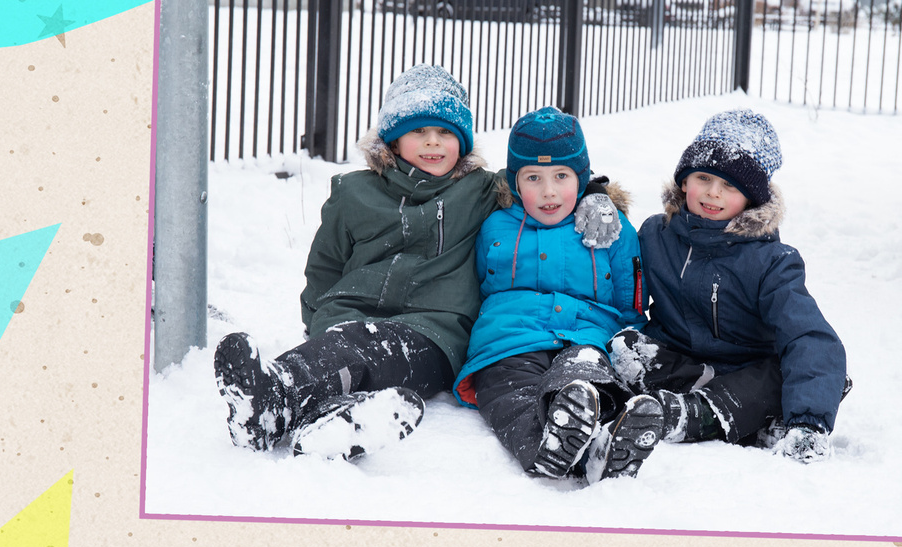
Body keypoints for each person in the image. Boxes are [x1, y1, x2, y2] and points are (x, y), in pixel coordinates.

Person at [214, 66, 622, 463]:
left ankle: (283, 403)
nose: (433, 143)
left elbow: (540, 178)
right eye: (418, 131)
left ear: (462, 141)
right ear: (392, 140)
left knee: (371, 349)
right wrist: (319, 319)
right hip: (349, 317)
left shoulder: (479, 190)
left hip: (434, 332)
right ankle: (285, 406)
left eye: (446, 132)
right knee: (343, 347)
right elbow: (324, 267)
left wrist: (595, 194)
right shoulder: (354, 192)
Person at [613, 109, 848, 464]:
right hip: (681, 361)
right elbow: (612, 276)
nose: (713, 193)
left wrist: (810, 421)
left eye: (730, 186)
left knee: (786, 371)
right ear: (684, 182)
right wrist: (595, 198)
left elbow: (808, 335)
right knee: (625, 345)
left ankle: (691, 416)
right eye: (704, 178)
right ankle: (753, 421)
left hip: (746, 372)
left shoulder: (772, 262)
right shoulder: (655, 235)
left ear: (752, 199)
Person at [453, 108, 661, 482]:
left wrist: (631, 341)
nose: (548, 191)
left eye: (561, 177)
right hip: (511, 339)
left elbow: (630, 295)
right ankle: (548, 448)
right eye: (533, 178)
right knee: (510, 394)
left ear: (582, 179)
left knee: (586, 375)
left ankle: (602, 433)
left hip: (585, 335)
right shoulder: (494, 224)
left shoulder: (608, 226)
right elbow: (478, 282)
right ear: (514, 182)